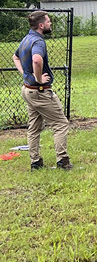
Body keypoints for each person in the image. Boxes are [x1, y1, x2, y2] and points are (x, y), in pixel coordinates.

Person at [12, 11, 72, 170]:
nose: (50, 23)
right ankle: (63, 161)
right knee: (60, 124)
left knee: (34, 127)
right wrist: (38, 78)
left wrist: (26, 75)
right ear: (41, 25)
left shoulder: (26, 39)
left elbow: (15, 57)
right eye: (48, 21)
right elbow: (37, 60)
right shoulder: (38, 41)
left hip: (27, 90)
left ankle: (35, 162)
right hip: (39, 91)